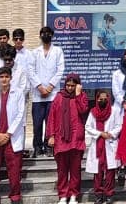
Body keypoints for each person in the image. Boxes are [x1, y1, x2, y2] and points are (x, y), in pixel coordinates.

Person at [0, 66, 27, 204]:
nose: (4, 79)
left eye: (6, 77)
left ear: (11, 78)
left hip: (11, 137)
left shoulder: (18, 93)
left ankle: (15, 196)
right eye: (1, 77)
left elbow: (21, 114)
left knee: (14, 170)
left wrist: (8, 134)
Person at [48, 73, 88, 204]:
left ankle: (74, 195)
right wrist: (51, 136)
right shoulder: (58, 97)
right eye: (68, 85)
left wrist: (78, 94)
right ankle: (63, 195)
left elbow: (83, 110)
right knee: (62, 170)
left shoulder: (82, 96)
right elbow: (52, 117)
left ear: (77, 85)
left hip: (76, 138)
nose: (70, 88)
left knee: (75, 170)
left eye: (73, 85)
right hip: (61, 139)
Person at [31, 26, 65, 156]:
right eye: (43, 33)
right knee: (37, 123)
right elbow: (31, 71)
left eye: (48, 33)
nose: (46, 35)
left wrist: (50, 86)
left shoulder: (58, 51)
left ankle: (49, 146)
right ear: (40, 36)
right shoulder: (35, 52)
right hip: (38, 94)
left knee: (51, 122)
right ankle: (37, 147)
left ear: (52, 35)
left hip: (53, 93)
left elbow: (60, 70)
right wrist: (40, 87)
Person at [86, 89, 124, 204]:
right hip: (97, 145)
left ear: (108, 99)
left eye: (105, 98)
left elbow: (119, 125)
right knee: (97, 173)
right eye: (100, 99)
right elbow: (88, 127)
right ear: (96, 99)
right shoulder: (93, 112)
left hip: (110, 143)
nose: (103, 100)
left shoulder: (114, 111)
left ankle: (109, 194)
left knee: (110, 172)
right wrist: (100, 134)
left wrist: (110, 134)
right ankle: (98, 195)